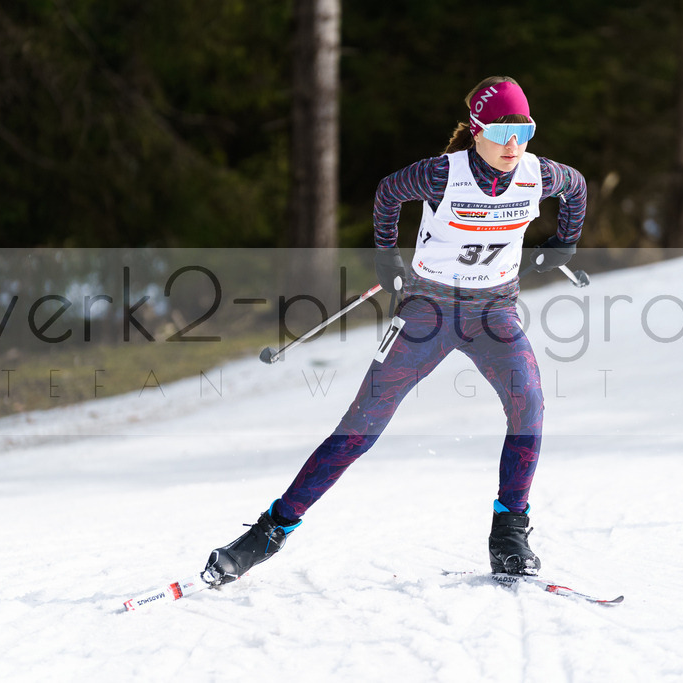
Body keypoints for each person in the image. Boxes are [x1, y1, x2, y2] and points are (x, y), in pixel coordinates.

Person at [202, 76, 587, 586]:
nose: (514, 144)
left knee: (530, 406)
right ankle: (268, 533)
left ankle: (509, 534)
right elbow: (388, 192)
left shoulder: (538, 174)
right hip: (426, 311)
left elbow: (577, 186)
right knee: (360, 428)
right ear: (476, 131)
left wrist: (563, 244)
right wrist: (386, 254)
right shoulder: (440, 176)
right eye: (501, 131)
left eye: (525, 130)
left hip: (494, 312)